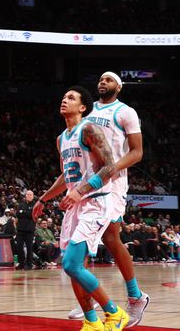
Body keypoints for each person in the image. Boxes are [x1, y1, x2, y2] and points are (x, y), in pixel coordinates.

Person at [33, 86, 129, 331]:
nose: (64, 100)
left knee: (71, 264)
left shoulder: (89, 129)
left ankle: (114, 313)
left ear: (83, 107)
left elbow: (109, 167)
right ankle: (91, 321)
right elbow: (66, 176)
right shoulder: (61, 138)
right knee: (73, 267)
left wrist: (80, 191)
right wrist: (44, 198)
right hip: (75, 206)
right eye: (64, 96)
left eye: (71, 98)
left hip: (96, 201)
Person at [63, 71, 149, 325]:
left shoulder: (125, 112)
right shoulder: (87, 113)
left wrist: (110, 170)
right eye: (100, 79)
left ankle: (135, 296)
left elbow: (137, 152)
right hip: (89, 182)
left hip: (113, 181)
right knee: (82, 243)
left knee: (111, 238)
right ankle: (88, 296)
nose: (102, 82)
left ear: (118, 87)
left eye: (109, 80)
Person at [15, 189, 37, 270]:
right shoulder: (21, 204)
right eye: (27, 194)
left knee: (29, 247)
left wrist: (23, 212)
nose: (28, 196)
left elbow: (32, 215)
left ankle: (29, 264)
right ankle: (21, 263)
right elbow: (18, 214)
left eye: (30, 194)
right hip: (20, 229)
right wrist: (26, 213)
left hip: (29, 230)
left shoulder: (35, 205)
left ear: (33, 196)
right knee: (19, 247)